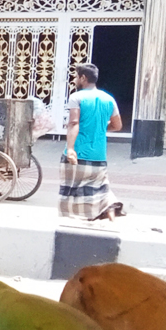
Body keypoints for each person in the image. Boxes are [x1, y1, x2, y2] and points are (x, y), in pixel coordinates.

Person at [60, 63, 124, 221]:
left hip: (79, 153)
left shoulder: (77, 97)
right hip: (99, 156)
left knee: (73, 191)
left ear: (83, 78)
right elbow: (118, 125)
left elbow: (74, 123)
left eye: (77, 76)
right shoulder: (109, 99)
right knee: (101, 189)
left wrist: (70, 149)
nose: (75, 79)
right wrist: (100, 127)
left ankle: (76, 222)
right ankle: (110, 214)